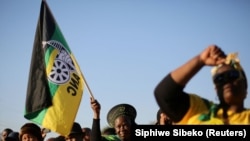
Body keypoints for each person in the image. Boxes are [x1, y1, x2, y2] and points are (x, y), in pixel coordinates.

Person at [154, 45, 250, 124]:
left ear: (245, 86)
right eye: (219, 78)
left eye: (232, 75)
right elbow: (164, 95)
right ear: (216, 89)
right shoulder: (201, 109)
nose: (226, 81)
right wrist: (201, 60)